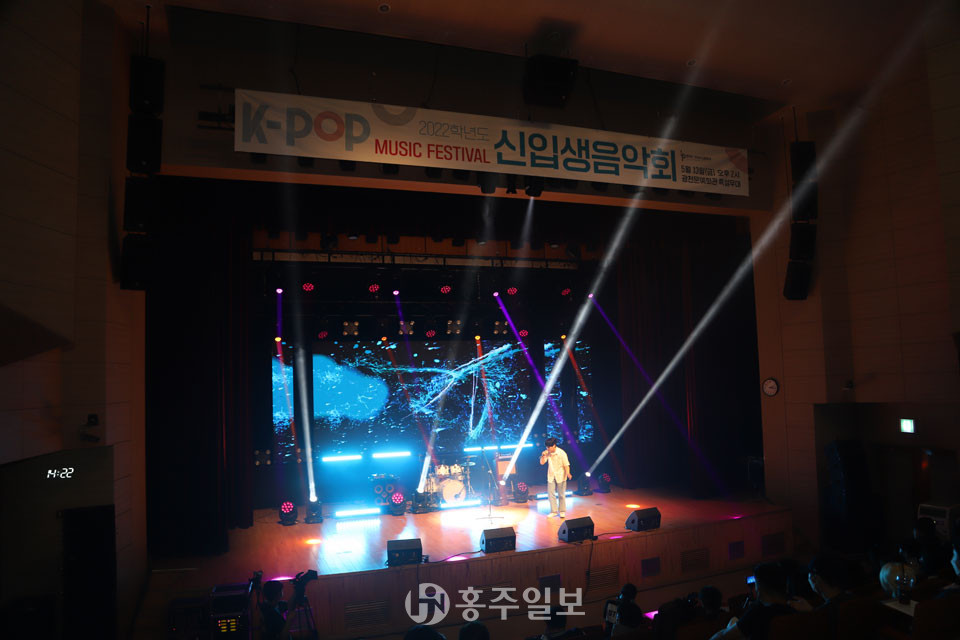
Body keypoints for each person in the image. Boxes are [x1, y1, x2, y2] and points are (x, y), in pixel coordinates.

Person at [709, 563, 795, 640]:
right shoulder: (794, 609)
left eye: (756, 584)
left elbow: (724, 636)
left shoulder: (759, 612)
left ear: (760, 587)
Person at [540, 437, 572, 518]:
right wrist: (543, 456)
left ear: (554, 445)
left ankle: (562, 511)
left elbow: (566, 465)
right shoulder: (547, 453)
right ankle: (553, 511)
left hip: (561, 475)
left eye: (549, 447)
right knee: (551, 494)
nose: (548, 449)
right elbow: (542, 463)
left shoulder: (562, 453)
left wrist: (568, 473)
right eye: (546, 447)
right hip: (551, 475)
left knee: (561, 494)